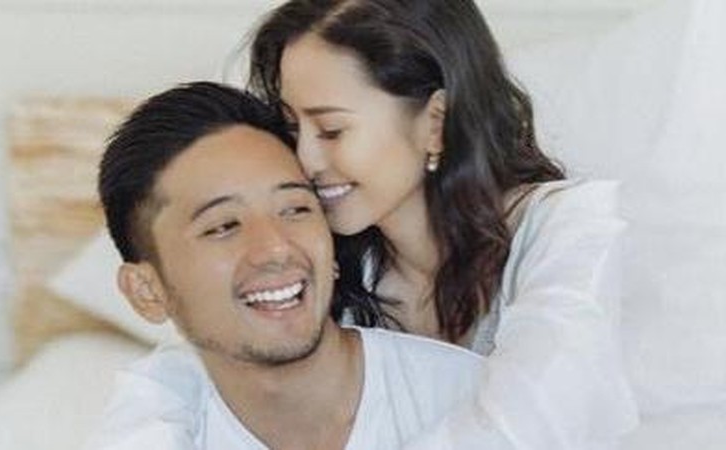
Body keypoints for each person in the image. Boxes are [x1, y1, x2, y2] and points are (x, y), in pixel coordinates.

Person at [247, 0, 639, 448]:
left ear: (435, 122)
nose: (305, 160)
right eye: (292, 129)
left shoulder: (564, 230)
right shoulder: (335, 273)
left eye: (331, 130)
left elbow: (533, 420)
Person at [86, 81, 487, 450]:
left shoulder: (469, 402)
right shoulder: (155, 423)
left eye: (295, 209)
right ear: (147, 292)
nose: (276, 248)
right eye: (223, 227)